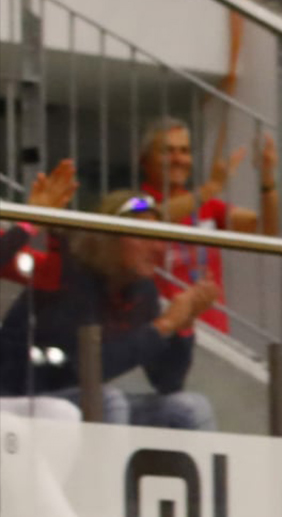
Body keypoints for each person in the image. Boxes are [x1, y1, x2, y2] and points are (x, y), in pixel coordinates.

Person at [0, 164, 219, 429]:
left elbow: (167, 381)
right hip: (23, 399)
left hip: (78, 402)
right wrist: (163, 327)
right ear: (107, 239)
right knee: (108, 402)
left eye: (162, 236)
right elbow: (85, 369)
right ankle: (103, 472)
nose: (158, 247)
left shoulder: (143, 289)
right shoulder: (67, 273)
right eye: (145, 235)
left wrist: (183, 328)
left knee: (189, 408)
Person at [138, 117, 281, 336]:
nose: (178, 158)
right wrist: (211, 187)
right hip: (161, 331)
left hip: (213, 334)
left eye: (184, 151)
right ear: (144, 160)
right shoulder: (134, 201)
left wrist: (268, 180)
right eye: (168, 150)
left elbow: (266, 230)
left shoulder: (207, 205)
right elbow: (153, 216)